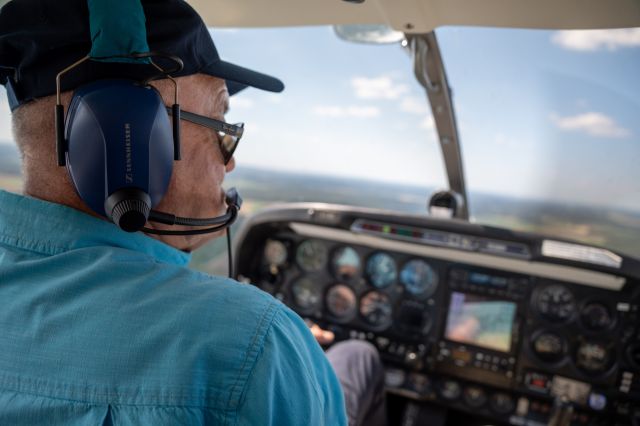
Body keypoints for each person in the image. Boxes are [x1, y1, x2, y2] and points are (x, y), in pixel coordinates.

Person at [0, 0, 349, 424]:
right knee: (357, 358)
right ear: (127, 134)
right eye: (220, 123)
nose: (230, 163)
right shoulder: (257, 346)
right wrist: (294, 356)